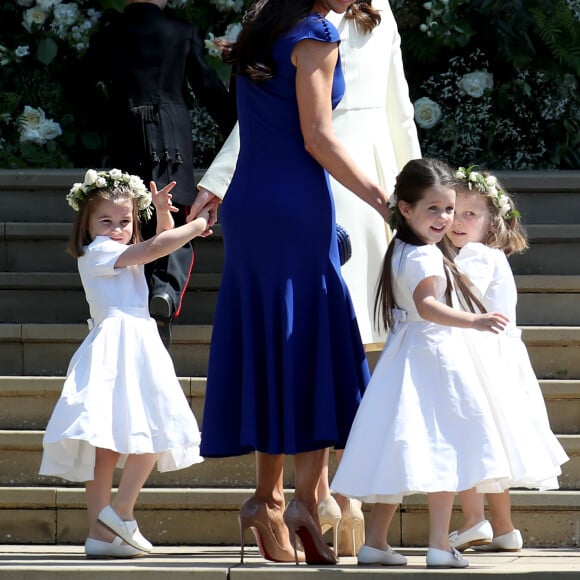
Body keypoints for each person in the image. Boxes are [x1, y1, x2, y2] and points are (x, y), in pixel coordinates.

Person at [191, 0, 421, 557]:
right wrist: (387, 200)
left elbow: (256, 121)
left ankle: (268, 502)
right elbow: (318, 136)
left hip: (253, 200)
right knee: (314, 343)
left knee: (276, 344)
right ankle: (298, 501)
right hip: (299, 200)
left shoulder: (263, 21)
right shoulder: (315, 31)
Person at [331, 158, 515, 569]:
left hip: (405, 355)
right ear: (406, 208)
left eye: (448, 209)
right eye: (433, 208)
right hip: (435, 355)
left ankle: (376, 541)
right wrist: (475, 319)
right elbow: (427, 306)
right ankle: (438, 545)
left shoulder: (400, 247)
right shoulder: (426, 255)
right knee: (445, 446)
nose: (444, 218)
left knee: (401, 447)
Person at [39, 169, 214, 559]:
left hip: (135, 340)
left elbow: (157, 245)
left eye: (125, 221)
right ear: (86, 224)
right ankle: (118, 514)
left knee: (123, 439)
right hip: (121, 341)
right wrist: (197, 224)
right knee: (141, 433)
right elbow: (155, 249)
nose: (117, 228)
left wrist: (165, 215)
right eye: (106, 221)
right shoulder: (99, 252)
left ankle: (103, 532)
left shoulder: (117, 252)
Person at [82, 0, 237, 347]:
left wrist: (108, 114)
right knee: (176, 212)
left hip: (126, 132)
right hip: (172, 137)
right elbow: (209, 88)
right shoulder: (182, 32)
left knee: (131, 218)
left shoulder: (110, 34)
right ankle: (165, 291)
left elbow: (77, 82)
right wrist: (241, 125)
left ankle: (139, 299)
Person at [443, 166, 569, 553]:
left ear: (491, 222)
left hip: (478, 357)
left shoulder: (477, 256)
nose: (459, 222)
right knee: (490, 444)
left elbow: (455, 298)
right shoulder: (485, 254)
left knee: (467, 437)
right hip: (497, 359)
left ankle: (473, 520)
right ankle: (504, 527)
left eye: (471, 214)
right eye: (453, 212)